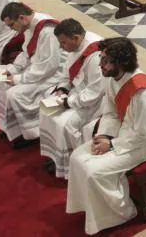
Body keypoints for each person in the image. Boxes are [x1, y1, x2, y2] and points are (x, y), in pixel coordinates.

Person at [67, 37, 146, 235]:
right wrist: (105, 135)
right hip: (124, 134)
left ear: (122, 63)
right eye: (101, 58)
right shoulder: (112, 78)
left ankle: (122, 213)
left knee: (95, 172)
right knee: (76, 157)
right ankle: (92, 209)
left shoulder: (143, 92)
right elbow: (111, 112)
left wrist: (113, 144)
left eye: (105, 60)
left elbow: (145, 132)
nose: (100, 65)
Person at [39, 19, 104, 179]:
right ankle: (57, 157)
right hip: (77, 93)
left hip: (96, 102)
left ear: (75, 38)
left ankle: (72, 166)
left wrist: (68, 102)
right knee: (45, 111)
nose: (61, 47)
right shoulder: (75, 47)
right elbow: (67, 73)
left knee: (66, 125)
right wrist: (63, 89)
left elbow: (95, 92)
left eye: (63, 43)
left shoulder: (95, 55)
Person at [0, 2, 62, 148]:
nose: (11, 29)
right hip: (37, 68)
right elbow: (27, 53)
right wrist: (13, 69)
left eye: (11, 25)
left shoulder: (47, 31)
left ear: (21, 18)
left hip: (54, 74)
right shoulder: (29, 26)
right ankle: (12, 127)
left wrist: (20, 78)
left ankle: (32, 132)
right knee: (0, 82)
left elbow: (49, 66)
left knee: (15, 93)